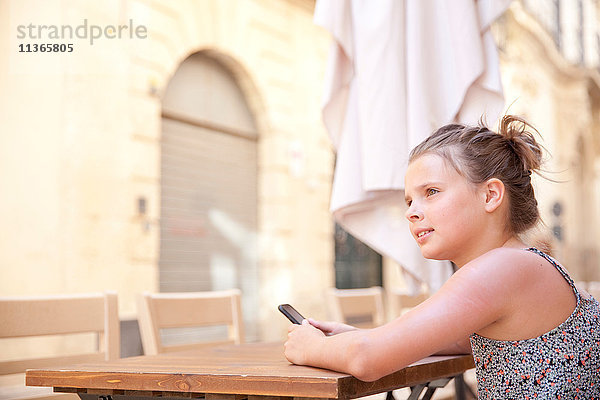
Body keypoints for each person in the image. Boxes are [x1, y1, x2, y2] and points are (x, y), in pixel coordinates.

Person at [284, 115, 600, 398]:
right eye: (408, 200)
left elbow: (365, 360)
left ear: (490, 195)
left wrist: (314, 347)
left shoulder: (502, 268)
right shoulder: (521, 261)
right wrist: (366, 337)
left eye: (431, 192)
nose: (411, 212)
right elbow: (463, 340)